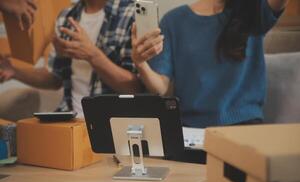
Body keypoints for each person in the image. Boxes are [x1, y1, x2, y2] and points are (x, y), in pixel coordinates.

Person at [131, 0, 289, 128]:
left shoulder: (253, 10)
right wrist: (140, 63)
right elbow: (161, 88)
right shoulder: (173, 21)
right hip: (190, 129)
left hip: (244, 127)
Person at [0, 0, 142, 118]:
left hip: (110, 124)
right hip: (68, 119)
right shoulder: (66, 16)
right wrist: (14, 72)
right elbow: (55, 78)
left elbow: (135, 89)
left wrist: (92, 55)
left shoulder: (131, 14)